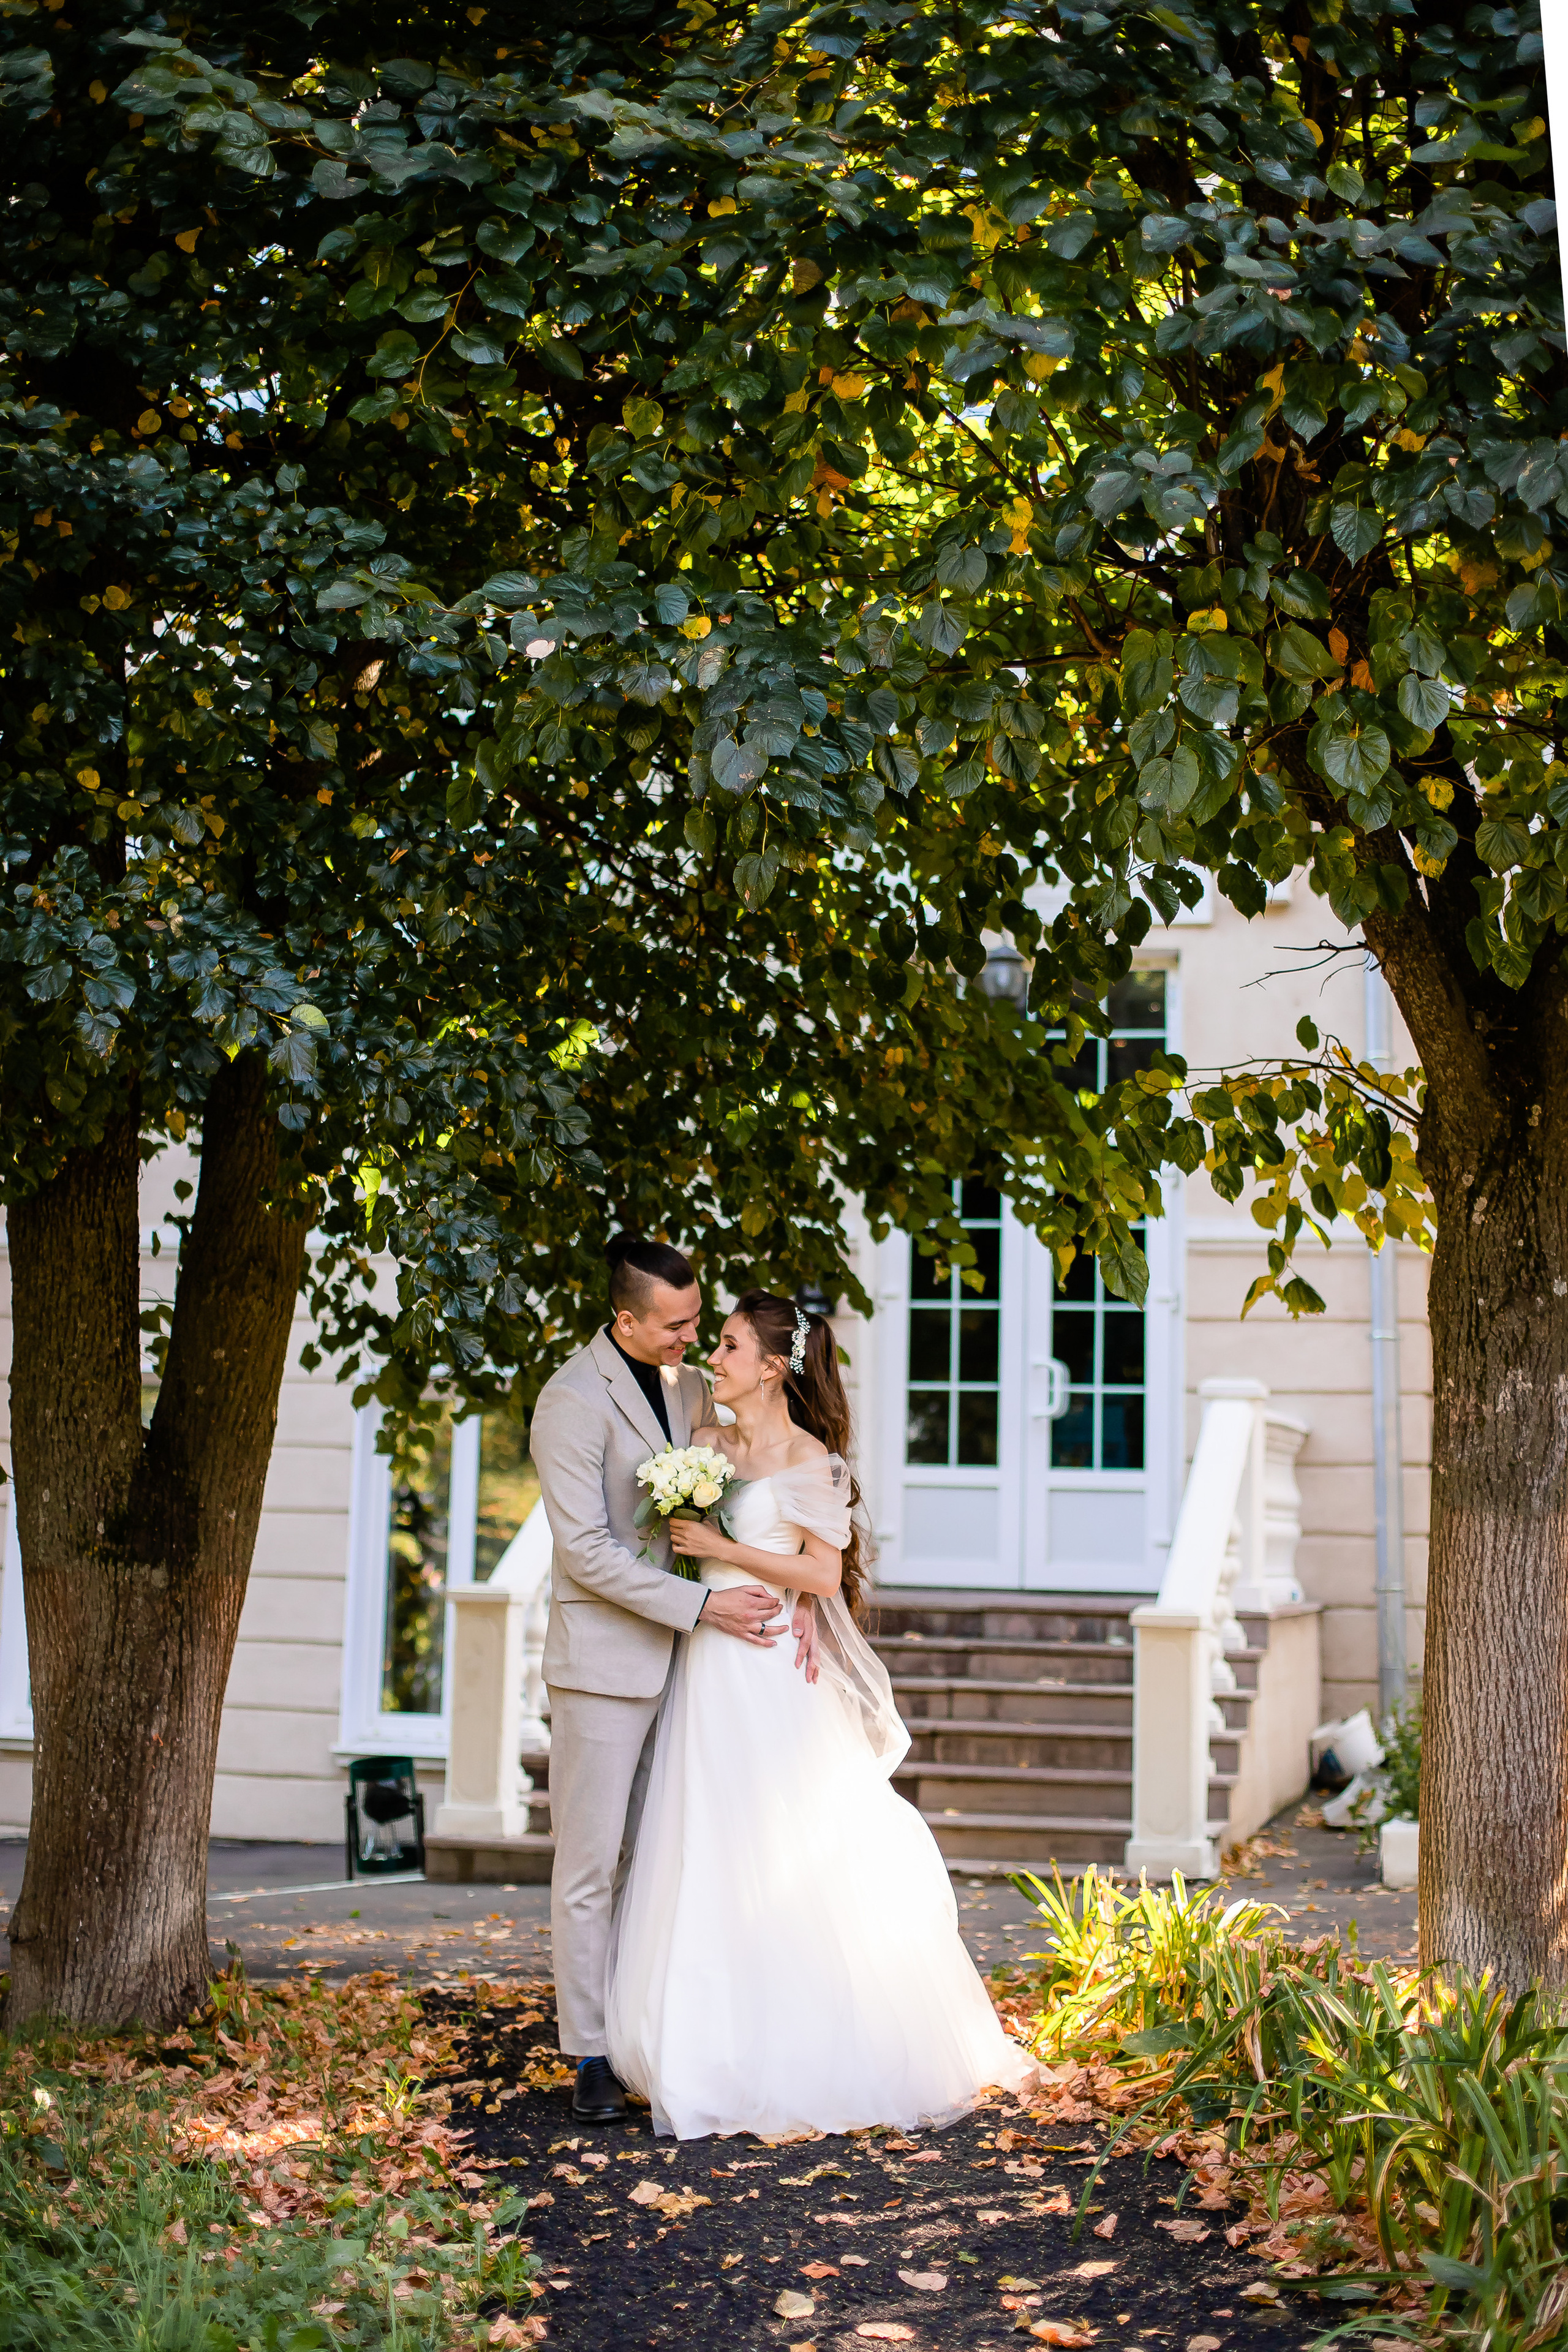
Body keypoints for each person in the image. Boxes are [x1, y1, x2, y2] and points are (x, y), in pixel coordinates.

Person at [605, 1289, 1036, 2139]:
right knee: (705, 1840)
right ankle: (701, 2044)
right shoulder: (702, 1443)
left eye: (727, 1347)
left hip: (770, 1670)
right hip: (708, 1664)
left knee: (782, 1843)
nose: (712, 1360)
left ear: (771, 1366)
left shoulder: (815, 1463)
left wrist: (723, 1551)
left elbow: (823, 1578)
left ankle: (804, 2046)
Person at [530, 1236, 818, 2125]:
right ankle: (589, 2055)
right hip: (608, 1664)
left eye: (700, 1323)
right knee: (591, 1867)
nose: (692, 1339)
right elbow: (584, 1554)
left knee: (662, 1862)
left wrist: (797, 1591)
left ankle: (650, 2030)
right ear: (625, 1320)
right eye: (677, 1325)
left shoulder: (693, 1385)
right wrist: (703, 1610)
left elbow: (786, 1476)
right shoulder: (570, 1404)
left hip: (699, 1670)